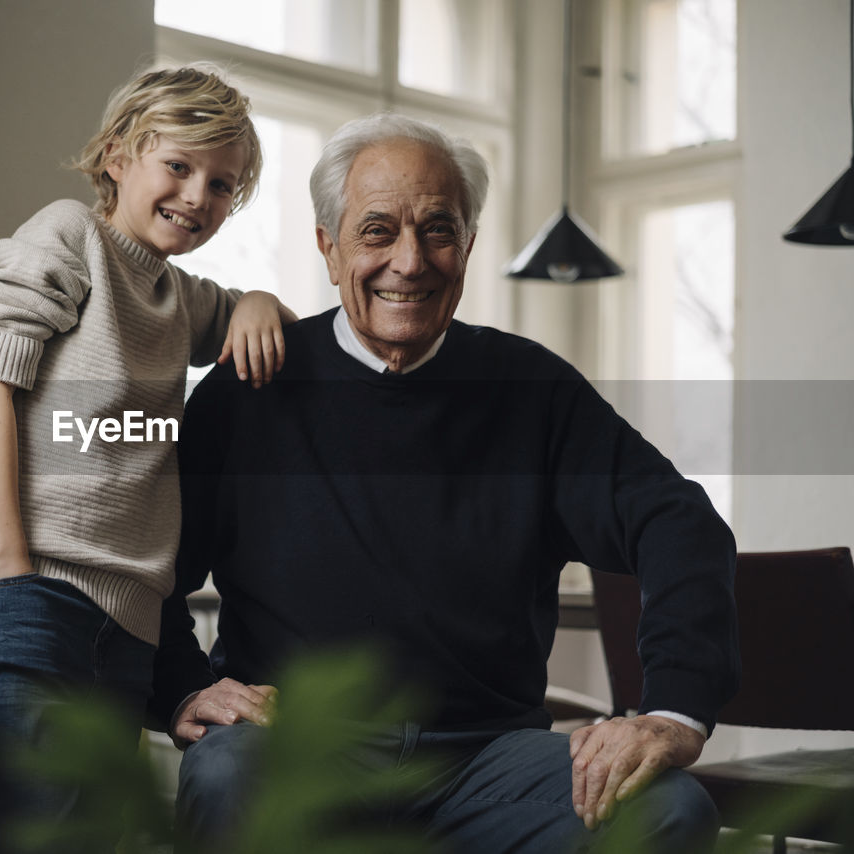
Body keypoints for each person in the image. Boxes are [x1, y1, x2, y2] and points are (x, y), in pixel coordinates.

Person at [149, 113, 740, 853]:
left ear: (466, 246)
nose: (410, 260)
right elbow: (153, 564)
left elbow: (677, 521)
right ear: (329, 249)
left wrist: (674, 712)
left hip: (489, 760)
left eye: (438, 229)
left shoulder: (533, 390)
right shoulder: (250, 388)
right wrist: (180, 685)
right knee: (224, 774)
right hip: (296, 745)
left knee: (670, 811)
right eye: (376, 232)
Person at [0, 66, 296, 853]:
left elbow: (253, 317)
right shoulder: (70, 236)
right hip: (35, 591)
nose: (198, 197)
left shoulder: (180, 296)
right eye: (178, 167)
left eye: (221, 184)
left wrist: (260, 303)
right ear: (116, 156)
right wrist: (9, 568)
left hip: (128, 620)